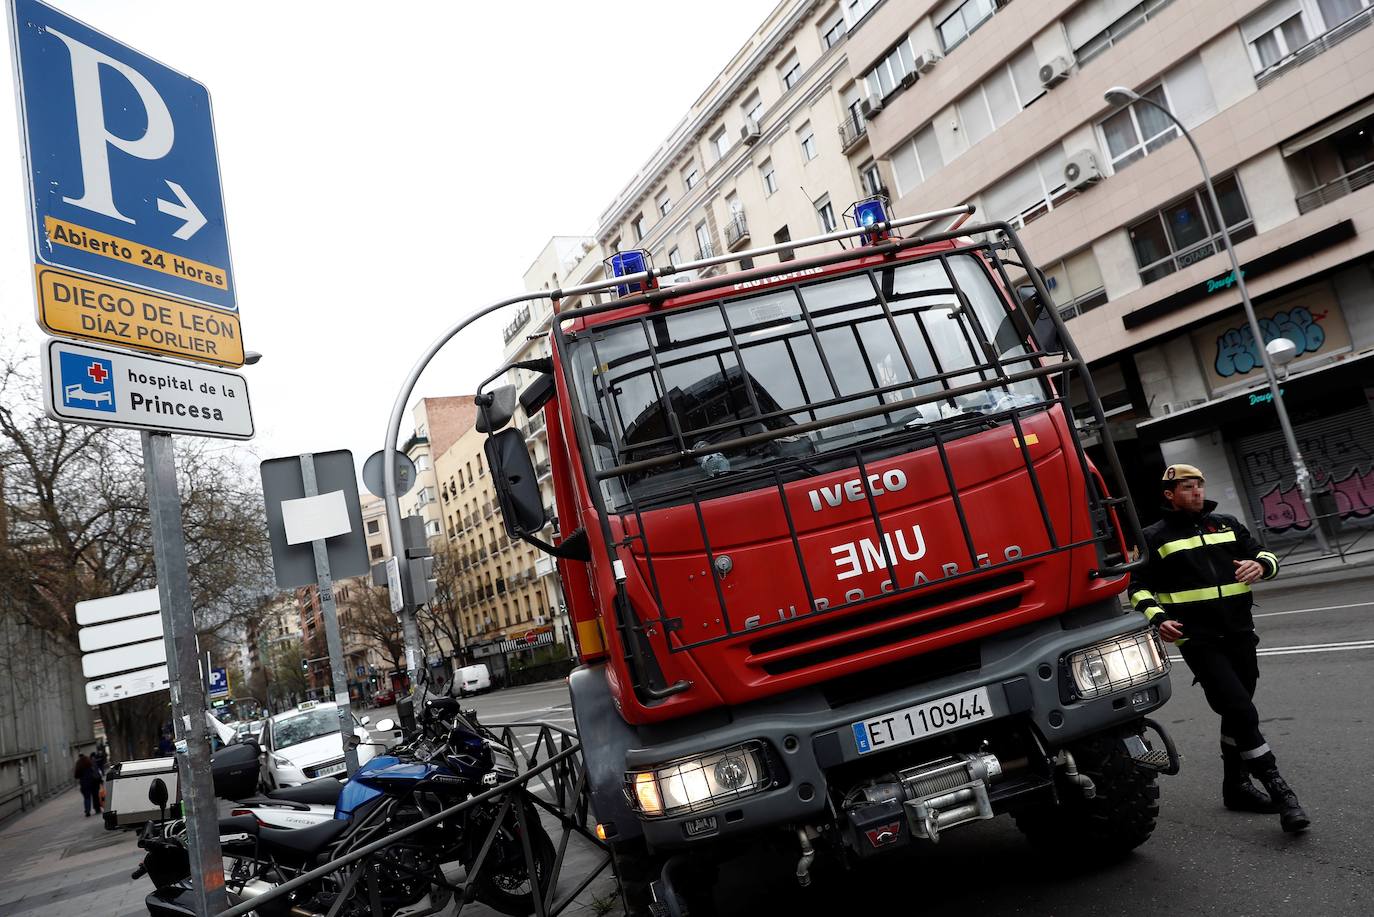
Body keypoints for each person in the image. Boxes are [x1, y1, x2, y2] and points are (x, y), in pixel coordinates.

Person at [1129, 463, 1309, 833]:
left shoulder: (1225, 524)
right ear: (1170, 495)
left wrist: (1261, 566)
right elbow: (1137, 587)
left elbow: (1267, 556)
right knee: (1242, 709)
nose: (1196, 492)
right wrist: (1157, 617)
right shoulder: (1153, 536)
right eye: (1187, 487)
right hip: (1198, 640)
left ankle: (1235, 787)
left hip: (1241, 634)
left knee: (1236, 711)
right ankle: (1280, 790)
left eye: (1199, 485)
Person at [74, 753, 103, 818]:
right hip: (93, 781)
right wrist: (100, 780)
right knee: (95, 796)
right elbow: (96, 771)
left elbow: (76, 775)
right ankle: (97, 809)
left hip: (84, 783)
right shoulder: (90, 762)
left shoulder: (79, 764)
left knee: (87, 797)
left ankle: (87, 811)